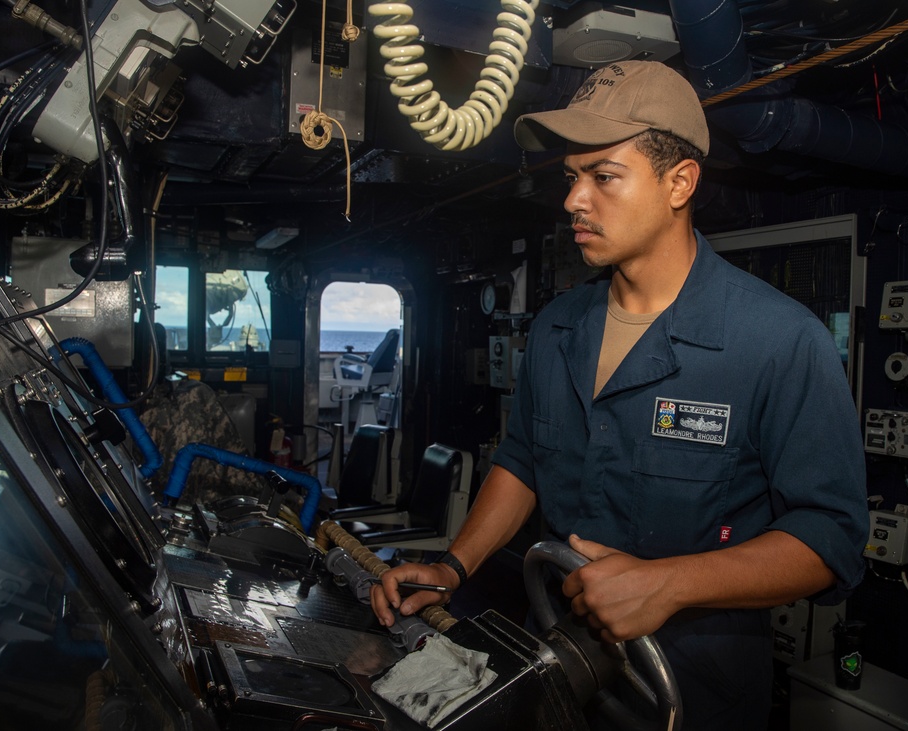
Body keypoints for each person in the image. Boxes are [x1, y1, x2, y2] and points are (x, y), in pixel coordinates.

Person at [370, 60, 869, 729]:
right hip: (556, 678)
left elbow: (830, 537)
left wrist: (672, 582)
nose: (574, 200)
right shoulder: (558, 327)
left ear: (679, 182)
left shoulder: (780, 342)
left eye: (604, 176)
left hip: (691, 698)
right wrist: (457, 563)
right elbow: (521, 460)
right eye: (572, 177)